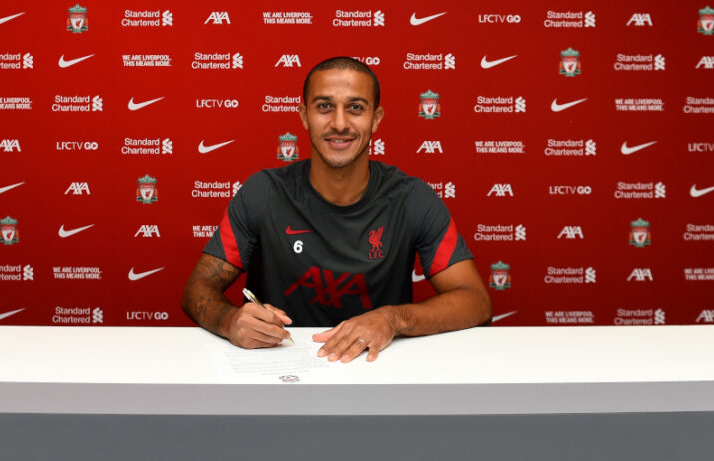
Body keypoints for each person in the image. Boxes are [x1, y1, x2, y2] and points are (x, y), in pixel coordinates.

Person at [182, 57, 491, 363]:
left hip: (378, 368)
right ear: (304, 115)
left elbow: (476, 302)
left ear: (376, 118)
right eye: (324, 106)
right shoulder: (263, 193)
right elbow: (197, 288)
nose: (340, 123)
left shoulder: (412, 199)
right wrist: (229, 320)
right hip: (281, 368)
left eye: (355, 107)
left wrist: (393, 319)